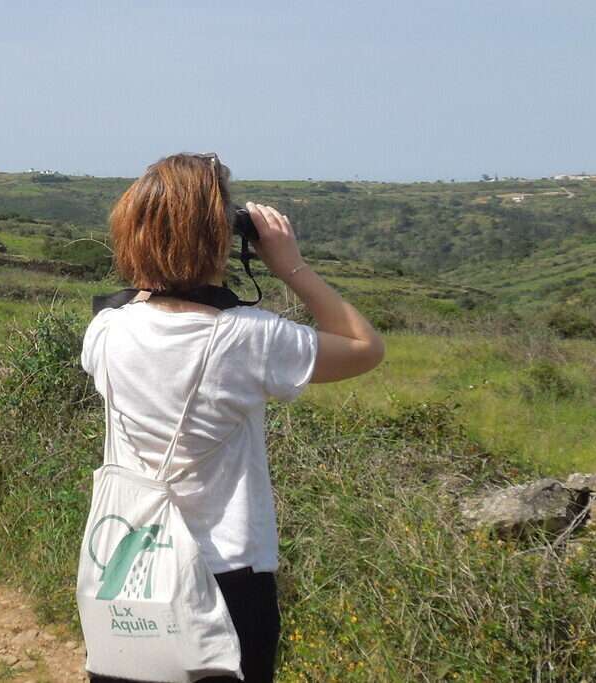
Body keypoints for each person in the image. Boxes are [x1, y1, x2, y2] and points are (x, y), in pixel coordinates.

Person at [81, 154, 384, 683]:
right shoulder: (251, 338)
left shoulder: (105, 330)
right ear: (218, 237)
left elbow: (151, 310)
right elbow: (365, 347)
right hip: (226, 581)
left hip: (125, 575)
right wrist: (290, 264)